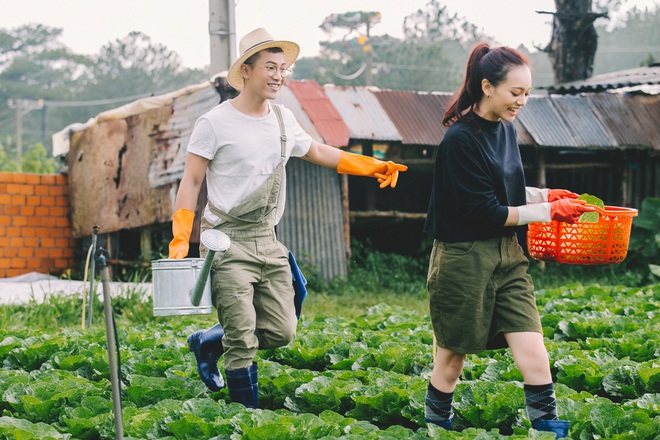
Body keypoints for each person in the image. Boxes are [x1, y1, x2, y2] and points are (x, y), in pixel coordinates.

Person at [167, 27, 407, 408]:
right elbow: (192, 180)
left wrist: (372, 166)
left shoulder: (282, 119)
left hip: (268, 236)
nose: (279, 75)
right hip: (225, 240)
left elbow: (316, 151)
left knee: (281, 330)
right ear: (246, 70)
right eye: (271, 67)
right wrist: (182, 237)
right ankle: (245, 417)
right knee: (243, 340)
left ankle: (208, 340)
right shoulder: (214, 123)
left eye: (284, 68)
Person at [423, 43, 594, 438]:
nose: (522, 101)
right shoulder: (459, 140)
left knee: (534, 352)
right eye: (515, 93)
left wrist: (548, 196)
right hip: (463, 258)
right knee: (450, 360)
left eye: (527, 93)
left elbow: (506, 190)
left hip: (509, 255)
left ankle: (549, 430)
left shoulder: (506, 129)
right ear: (487, 87)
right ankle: (434, 429)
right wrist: (550, 213)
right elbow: (484, 211)